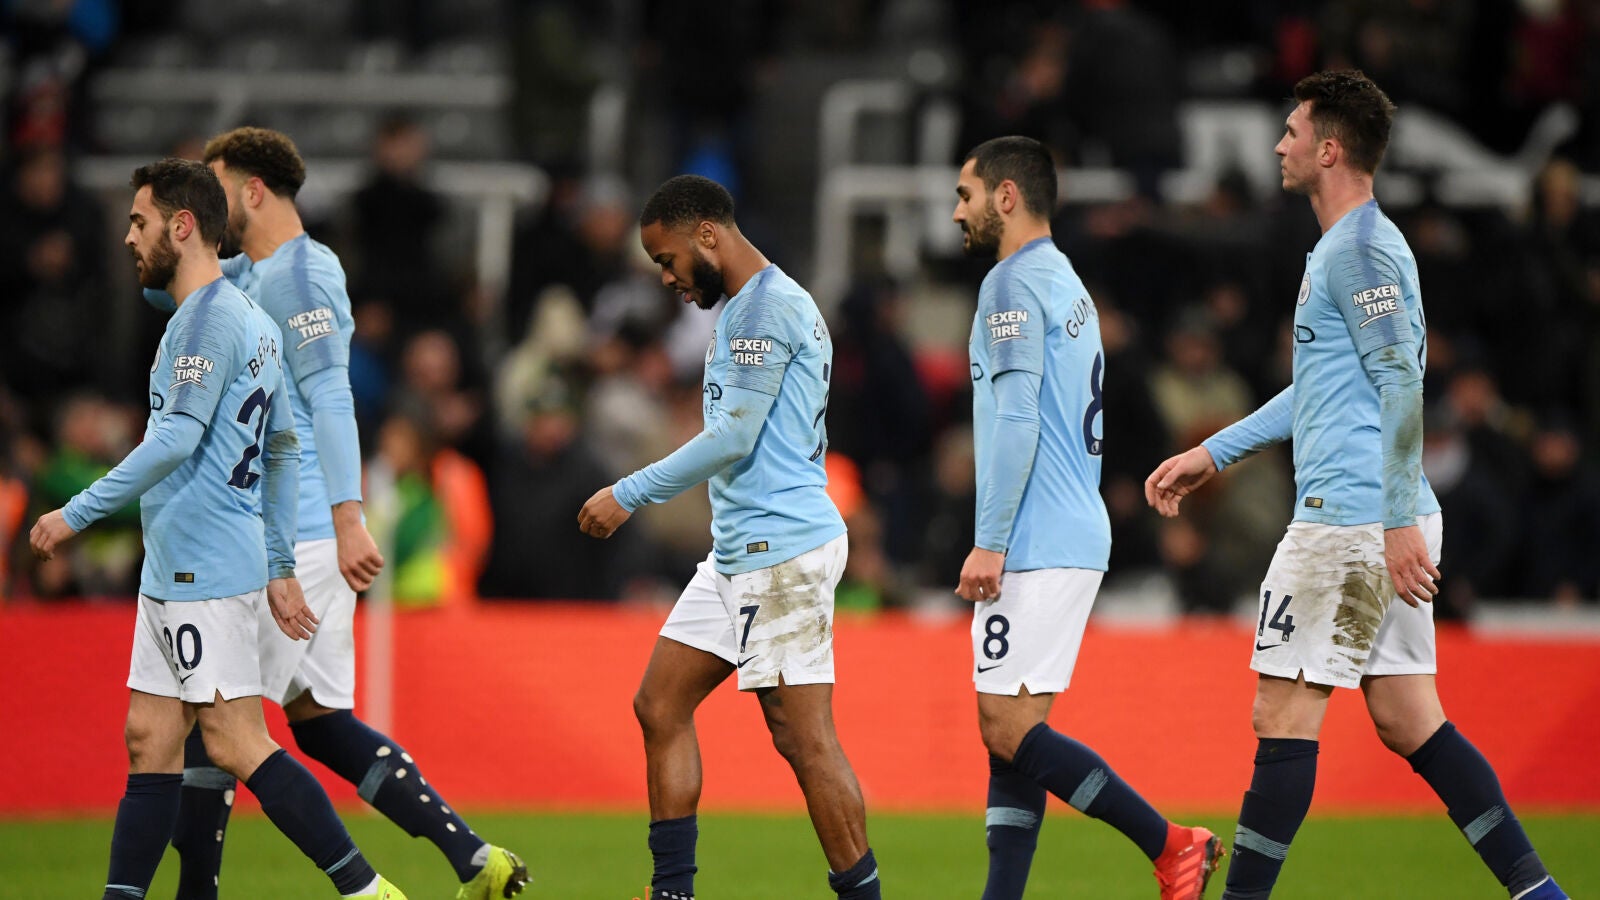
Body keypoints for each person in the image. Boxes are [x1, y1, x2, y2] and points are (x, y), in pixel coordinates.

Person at [1145, 70, 1568, 900]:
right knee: (1410, 720)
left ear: (1330, 149)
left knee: (1281, 717)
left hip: (1353, 519)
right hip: (1378, 514)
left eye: (1293, 132)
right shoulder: (1347, 246)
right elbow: (1322, 389)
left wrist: (1397, 517)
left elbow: (1401, 381)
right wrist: (1216, 452)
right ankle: (1539, 893)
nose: (1279, 145)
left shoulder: (1362, 250)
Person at [141, 127, 526, 900]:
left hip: (298, 535)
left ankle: (306, 890)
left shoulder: (302, 275)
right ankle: (475, 860)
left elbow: (330, 397)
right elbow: (160, 287)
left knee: (217, 722)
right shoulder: (252, 271)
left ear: (253, 191)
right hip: (290, 529)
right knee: (318, 721)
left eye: (217, 189)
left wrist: (350, 519)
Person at [29, 158, 405, 900]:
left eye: (139, 222)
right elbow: (285, 446)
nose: (128, 238)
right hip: (177, 567)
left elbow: (175, 439)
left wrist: (75, 512)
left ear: (181, 226)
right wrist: (279, 564)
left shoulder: (206, 322)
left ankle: (367, 891)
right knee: (149, 741)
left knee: (237, 742)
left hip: (202, 570)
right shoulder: (248, 319)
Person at [578, 175, 881, 900]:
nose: (666, 277)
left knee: (803, 739)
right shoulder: (757, 305)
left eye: (668, 258)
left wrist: (628, 492)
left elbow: (733, 437)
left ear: (707, 235)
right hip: (741, 549)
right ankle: (672, 892)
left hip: (781, 550)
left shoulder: (763, 312)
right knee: (660, 705)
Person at [951, 136, 1224, 900]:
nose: (957, 212)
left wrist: (989, 541)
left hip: (1035, 534)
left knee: (1005, 728)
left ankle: (1171, 844)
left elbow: (1017, 419)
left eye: (966, 195)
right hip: (1070, 523)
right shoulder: (1067, 282)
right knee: (1014, 739)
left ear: (1007, 196)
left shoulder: (1009, 285)